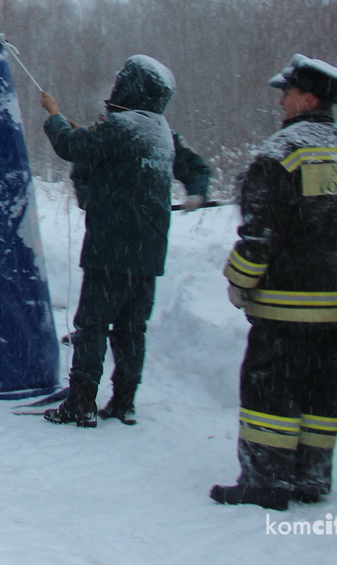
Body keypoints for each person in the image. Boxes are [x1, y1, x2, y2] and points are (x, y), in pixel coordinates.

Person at [211, 54, 337, 511]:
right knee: (323, 393)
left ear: (308, 99)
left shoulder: (282, 153)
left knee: (271, 390)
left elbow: (260, 233)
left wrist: (238, 280)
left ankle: (265, 481)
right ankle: (311, 477)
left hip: (291, 305)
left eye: (285, 93)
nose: (280, 101)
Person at [38, 55, 212, 427]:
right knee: (132, 330)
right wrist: (198, 192)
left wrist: (53, 115)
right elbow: (197, 168)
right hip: (148, 251)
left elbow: (71, 147)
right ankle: (123, 401)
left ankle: (80, 404)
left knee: (92, 326)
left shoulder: (122, 125)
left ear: (130, 86)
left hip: (110, 247)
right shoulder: (161, 130)